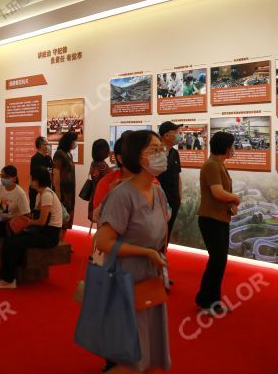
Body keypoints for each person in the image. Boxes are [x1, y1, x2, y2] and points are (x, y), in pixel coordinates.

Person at [93, 130, 171, 373]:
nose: (161, 154)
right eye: (154, 150)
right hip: (124, 281)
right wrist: (147, 253)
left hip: (150, 279)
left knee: (147, 354)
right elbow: (103, 241)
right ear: (137, 157)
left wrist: (157, 256)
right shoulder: (121, 195)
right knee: (131, 360)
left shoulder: (157, 191)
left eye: (162, 149)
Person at [0, 166, 63, 289]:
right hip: (41, 231)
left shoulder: (47, 195)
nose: (30, 180)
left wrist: (28, 222)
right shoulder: (40, 195)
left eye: (31, 178)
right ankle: (2, 275)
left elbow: (42, 222)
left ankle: (9, 280)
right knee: (9, 241)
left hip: (49, 235)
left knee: (14, 243)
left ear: (37, 181)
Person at [195, 131, 240, 314]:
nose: (234, 149)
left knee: (218, 262)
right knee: (217, 262)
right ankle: (208, 302)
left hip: (218, 219)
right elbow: (218, 192)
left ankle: (208, 300)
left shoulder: (218, 164)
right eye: (233, 145)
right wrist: (235, 198)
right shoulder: (212, 165)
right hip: (211, 220)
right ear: (226, 147)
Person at [157, 122, 183, 242]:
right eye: (177, 132)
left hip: (173, 202)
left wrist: (179, 197)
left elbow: (177, 176)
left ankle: (162, 256)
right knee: (156, 236)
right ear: (166, 135)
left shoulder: (174, 153)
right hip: (158, 203)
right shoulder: (155, 153)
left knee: (166, 235)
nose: (179, 135)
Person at [0, 165, 31, 234]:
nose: (2, 179)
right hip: (1, 221)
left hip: (12, 225)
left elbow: (27, 215)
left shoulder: (20, 193)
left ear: (14, 178)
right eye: (1, 176)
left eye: (6, 177)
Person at [53, 131, 78, 240]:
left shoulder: (69, 154)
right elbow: (56, 172)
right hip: (62, 190)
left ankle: (62, 241)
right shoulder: (59, 153)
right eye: (74, 141)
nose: (75, 143)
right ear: (69, 141)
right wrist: (57, 190)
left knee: (68, 215)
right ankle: (57, 241)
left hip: (70, 191)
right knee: (61, 215)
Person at [86, 139, 112, 221]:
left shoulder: (94, 163)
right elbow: (109, 178)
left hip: (95, 195)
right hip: (103, 196)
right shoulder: (102, 165)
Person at [29, 136, 53, 211]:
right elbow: (35, 175)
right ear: (41, 145)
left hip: (47, 189)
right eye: (46, 144)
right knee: (36, 210)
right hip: (37, 190)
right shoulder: (35, 158)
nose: (48, 146)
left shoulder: (48, 158)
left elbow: (52, 171)